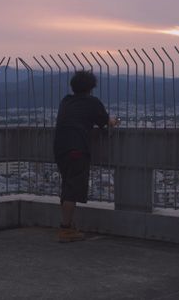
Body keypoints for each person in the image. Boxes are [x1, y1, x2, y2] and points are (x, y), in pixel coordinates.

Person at [54, 70, 119, 243]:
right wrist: (114, 121)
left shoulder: (65, 101)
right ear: (91, 88)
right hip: (77, 147)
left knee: (67, 185)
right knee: (72, 189)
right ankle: (65, 230)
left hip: (60, 147)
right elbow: (106, 122)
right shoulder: (92, 102)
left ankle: (69, 226)